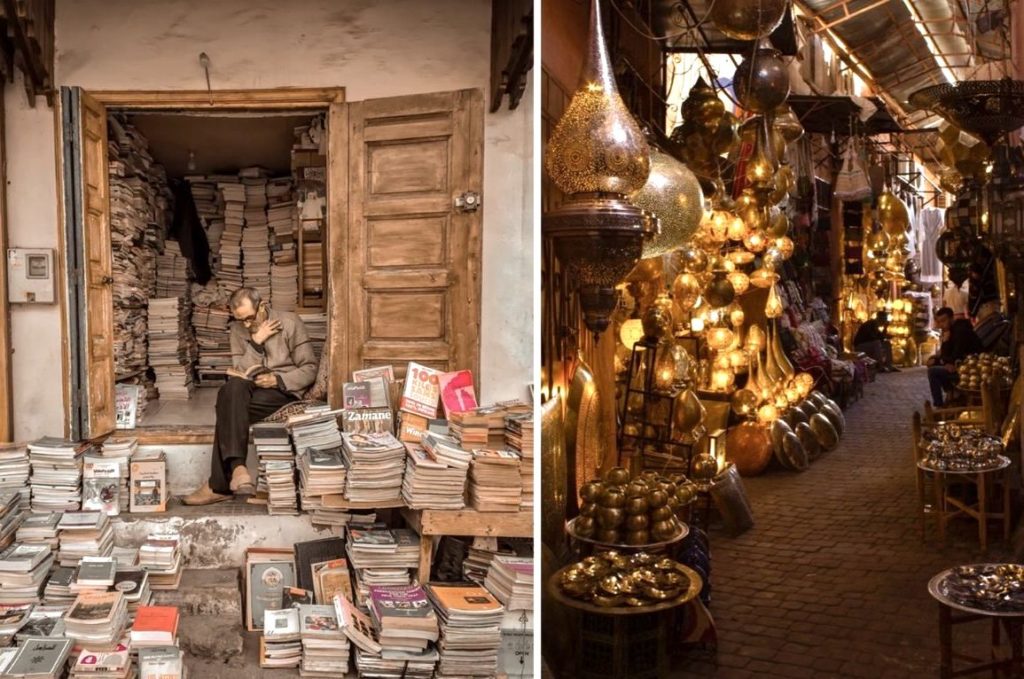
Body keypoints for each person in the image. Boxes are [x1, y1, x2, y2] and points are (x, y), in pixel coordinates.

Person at [183, 287, 318, 505]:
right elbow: (239, 369)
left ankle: (220, 483)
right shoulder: (238, 330)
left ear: (262, 307)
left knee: (226, 406)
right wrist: (256, 341)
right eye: (240, 320)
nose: (246, 325)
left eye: (249, 318)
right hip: (251, 389)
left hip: (283, 391)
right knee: (232, 390)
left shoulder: (291, 322)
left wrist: (277, 380)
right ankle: (238, 470)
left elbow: (310, 368)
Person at [926, 306, 982, 406]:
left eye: (944, 321)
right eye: (939, 322)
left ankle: (939, 405)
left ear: (951, 319)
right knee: (933, 364)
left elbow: (956, 355)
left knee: (933, 372)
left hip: (969, 367)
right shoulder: (950, 331)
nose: (941, 325)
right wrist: (939, 358)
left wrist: (943, 361)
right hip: (958, 363)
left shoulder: (960, 331)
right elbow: (947, 355)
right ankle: (951, 393)